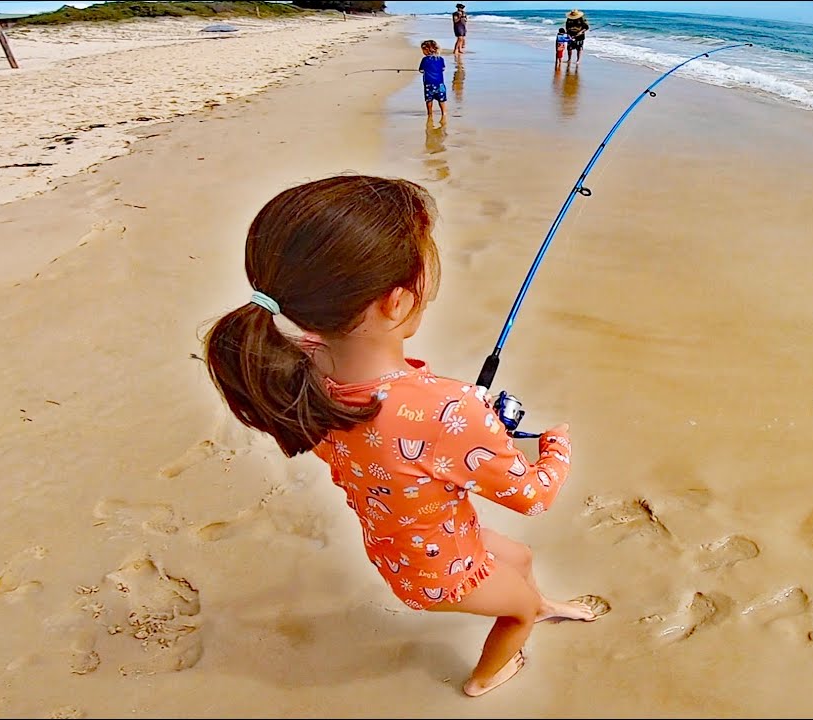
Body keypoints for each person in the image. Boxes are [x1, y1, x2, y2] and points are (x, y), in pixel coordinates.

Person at [204, 175, 609, 698]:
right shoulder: (449, 408)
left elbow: (403, 432)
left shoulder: (304, 373)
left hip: (406, 546)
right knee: (520, 612)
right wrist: (555, 445)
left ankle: (527, 597)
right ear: (396, 303)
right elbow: (533, 496)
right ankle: (490, 673)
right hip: (439, 570)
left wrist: (473, 424)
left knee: (522, 560)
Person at [418, 40, 448, 122]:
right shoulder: (440, 59)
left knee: (429, 100)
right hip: (440, 84)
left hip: (428, 84)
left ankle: (430, 114)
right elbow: (443, 68)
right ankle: (444, 113)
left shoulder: (425, 59)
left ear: (426, 50)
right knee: (442, 100)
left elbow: (421, 70)